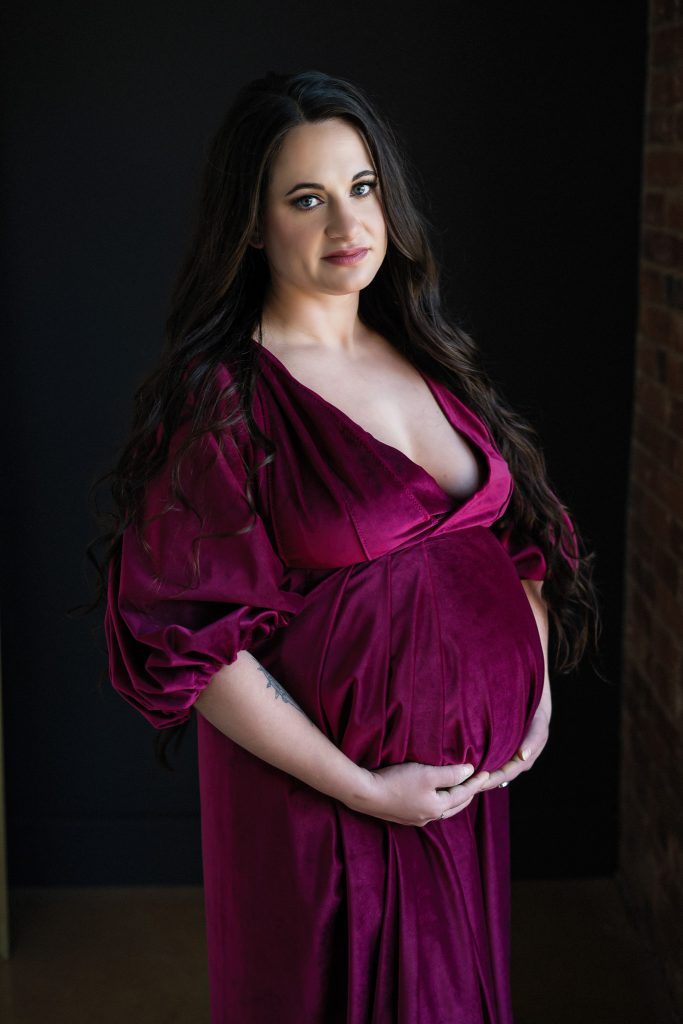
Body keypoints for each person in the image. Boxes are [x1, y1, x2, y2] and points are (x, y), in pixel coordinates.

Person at [100, 69, 600, 1024]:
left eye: (361, 186)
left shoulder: (427, 353)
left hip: (458, 803)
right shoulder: (228, 399)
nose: (346, 222)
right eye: (306, 198)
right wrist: (367, 788)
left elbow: (515, 545)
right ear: (250, 226)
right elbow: (191, 642)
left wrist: (530, 700)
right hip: (328, 816)